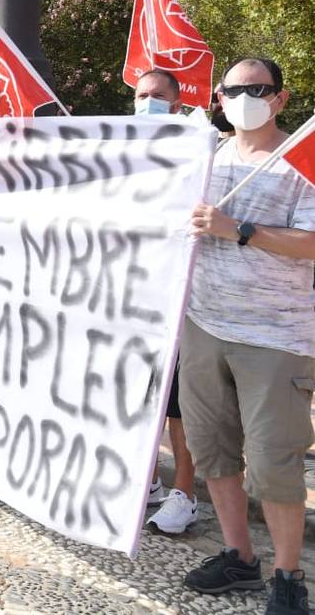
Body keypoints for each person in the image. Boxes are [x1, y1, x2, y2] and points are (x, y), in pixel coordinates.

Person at [181, 58, 315, 614]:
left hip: (274, 337)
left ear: (280, 99)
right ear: (219, 96)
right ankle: (240, 558)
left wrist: (237, 229)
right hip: (203, 325)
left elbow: (312, 243)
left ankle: (288, 578)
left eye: (258, 89)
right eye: (235, 89)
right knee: (213, 448)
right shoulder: (203, 156)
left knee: (273, 462)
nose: (246, 98)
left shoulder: (302, 161)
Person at [127, 69, 199, 534]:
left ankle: (185, 494)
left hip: (182, 301)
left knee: (177, 407)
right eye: (140, 95)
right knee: (140, 395)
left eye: (157, 96)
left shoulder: (196, 148)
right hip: (135, 298)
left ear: (176, 103)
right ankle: (149, 479)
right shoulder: (126, 149)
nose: (148, 102)